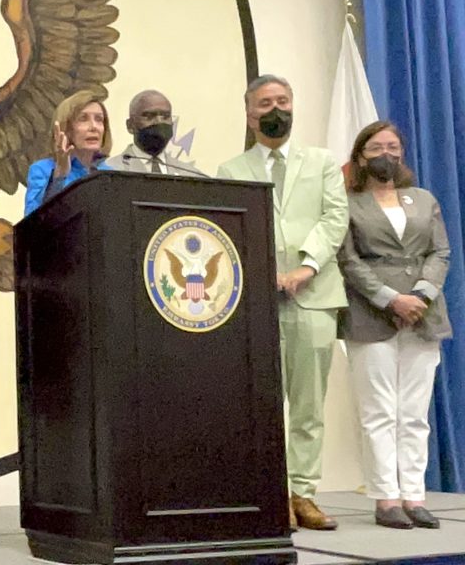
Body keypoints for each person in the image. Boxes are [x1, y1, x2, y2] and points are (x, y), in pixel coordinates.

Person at [217, 74, 348, 531]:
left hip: (314, 296)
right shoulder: (231, 171)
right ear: (249, 113)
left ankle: (304, 494)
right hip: (256, 301)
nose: (276, 109)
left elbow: (335, 217)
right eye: (265, 102)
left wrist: (305, 268)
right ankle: (272, 496)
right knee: (263, 405)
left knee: (309, 406)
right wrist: (262, 273)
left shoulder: (323, 161)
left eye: (283, 100)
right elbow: (228, 234)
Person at [337, 121, 451, 530]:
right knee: (379, 411)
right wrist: (391, 299)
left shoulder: (423, 199)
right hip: (371, 314)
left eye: (394, 146)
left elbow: (440, 251)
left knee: (414, 413)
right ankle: (386, 498)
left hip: (424, 314)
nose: (387, 153)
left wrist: (419, 296)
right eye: (377, 146)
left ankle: (414, 496)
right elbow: (348, 261)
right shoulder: (348, 203)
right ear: (361, 155)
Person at [23, 90, 113, 215]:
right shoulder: (42, 170)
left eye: (99, 119)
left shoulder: (110, 173)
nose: (94, 127)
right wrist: (59, 176)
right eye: (83, 119)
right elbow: (33, 224)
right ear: (66, 128)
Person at [104, 89, 202, 176]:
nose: (159, 122)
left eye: (165, 116)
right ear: (130, 126)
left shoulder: (192, 175)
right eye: (149, 116)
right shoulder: (109, 172)